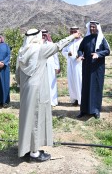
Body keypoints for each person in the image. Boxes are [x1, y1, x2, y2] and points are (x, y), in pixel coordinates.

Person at [16, 28, 81, 162]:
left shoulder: (22, 51)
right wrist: (73, 36)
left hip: (25, 89)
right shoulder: (40, 50)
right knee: (35, 118)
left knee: (27, 118)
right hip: (37, 90)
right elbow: (58, 46)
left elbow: (17, 74)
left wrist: (22, 85)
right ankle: (34, 153)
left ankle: (28, 147)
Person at [77, 21, 110, 119]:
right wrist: (80, 55)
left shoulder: (102, 39)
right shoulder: (86, 39)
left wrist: (98, 54)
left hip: (97, 68)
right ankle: (83, 110)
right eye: (90, 27)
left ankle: (96, 110)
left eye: (93, 27)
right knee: (86, 88)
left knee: (96, 87)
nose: (92, 29)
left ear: (97, 28)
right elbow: (80, 49)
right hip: (87, 67)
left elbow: (107, 51)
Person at [61, 26, 83, 106]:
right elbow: (63, 51)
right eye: (72, 31)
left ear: (79, 32)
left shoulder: (83, 41)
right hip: (70, 64)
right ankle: (75, 99)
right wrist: (68, 54)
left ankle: (82, 100)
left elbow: (86, 51)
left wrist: (80, 55)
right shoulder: (69, 42)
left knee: (79, 81)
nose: (73, 33)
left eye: (75, 31)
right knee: (72, 82)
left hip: (79, 65)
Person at [41, 29, 60, 106]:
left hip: (51, 66)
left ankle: (52, 101)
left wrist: (57, 66)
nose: (43, 37)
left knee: (51, 82)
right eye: (42, 35)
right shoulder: (38, 45)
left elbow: (55, 56)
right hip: (41, 66)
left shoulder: (51, 44)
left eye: (45, 35)